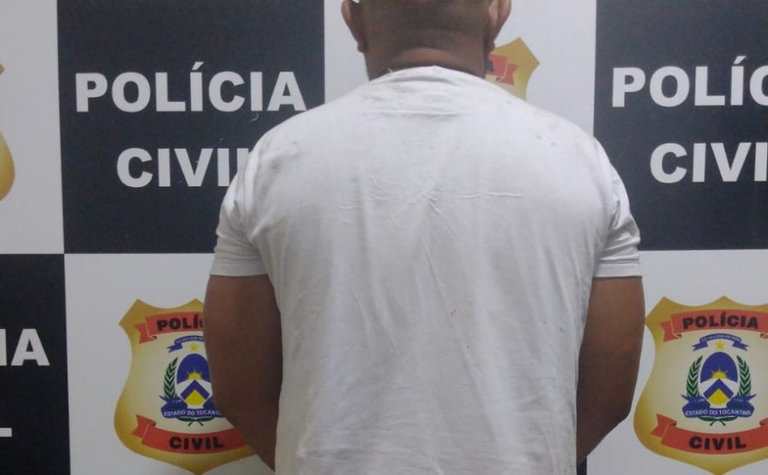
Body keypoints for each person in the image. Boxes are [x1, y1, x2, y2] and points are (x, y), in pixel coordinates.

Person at [203, 0, 645, 473]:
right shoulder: (580, 164)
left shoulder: (276, 162)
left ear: (353, 19)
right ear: (498, 14)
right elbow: (610, 390)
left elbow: (239, 388)